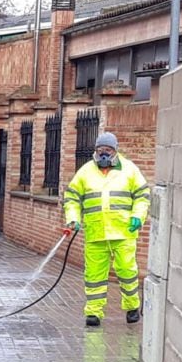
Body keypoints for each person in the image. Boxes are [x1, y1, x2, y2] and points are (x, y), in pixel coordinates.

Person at [63, 132, 149, 327]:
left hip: (124, 231)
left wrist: (138, 216)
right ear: (95, 150)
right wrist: (73, 218)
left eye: (108, 150)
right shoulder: (85, 171)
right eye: (100, 150)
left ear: (115, 150)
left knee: (127, 271)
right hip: (96, 233)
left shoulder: (129, 169)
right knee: (94, 275)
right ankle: (94, 313)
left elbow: (143, 195)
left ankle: (132, 307)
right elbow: (72, 197)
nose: (104, 154)